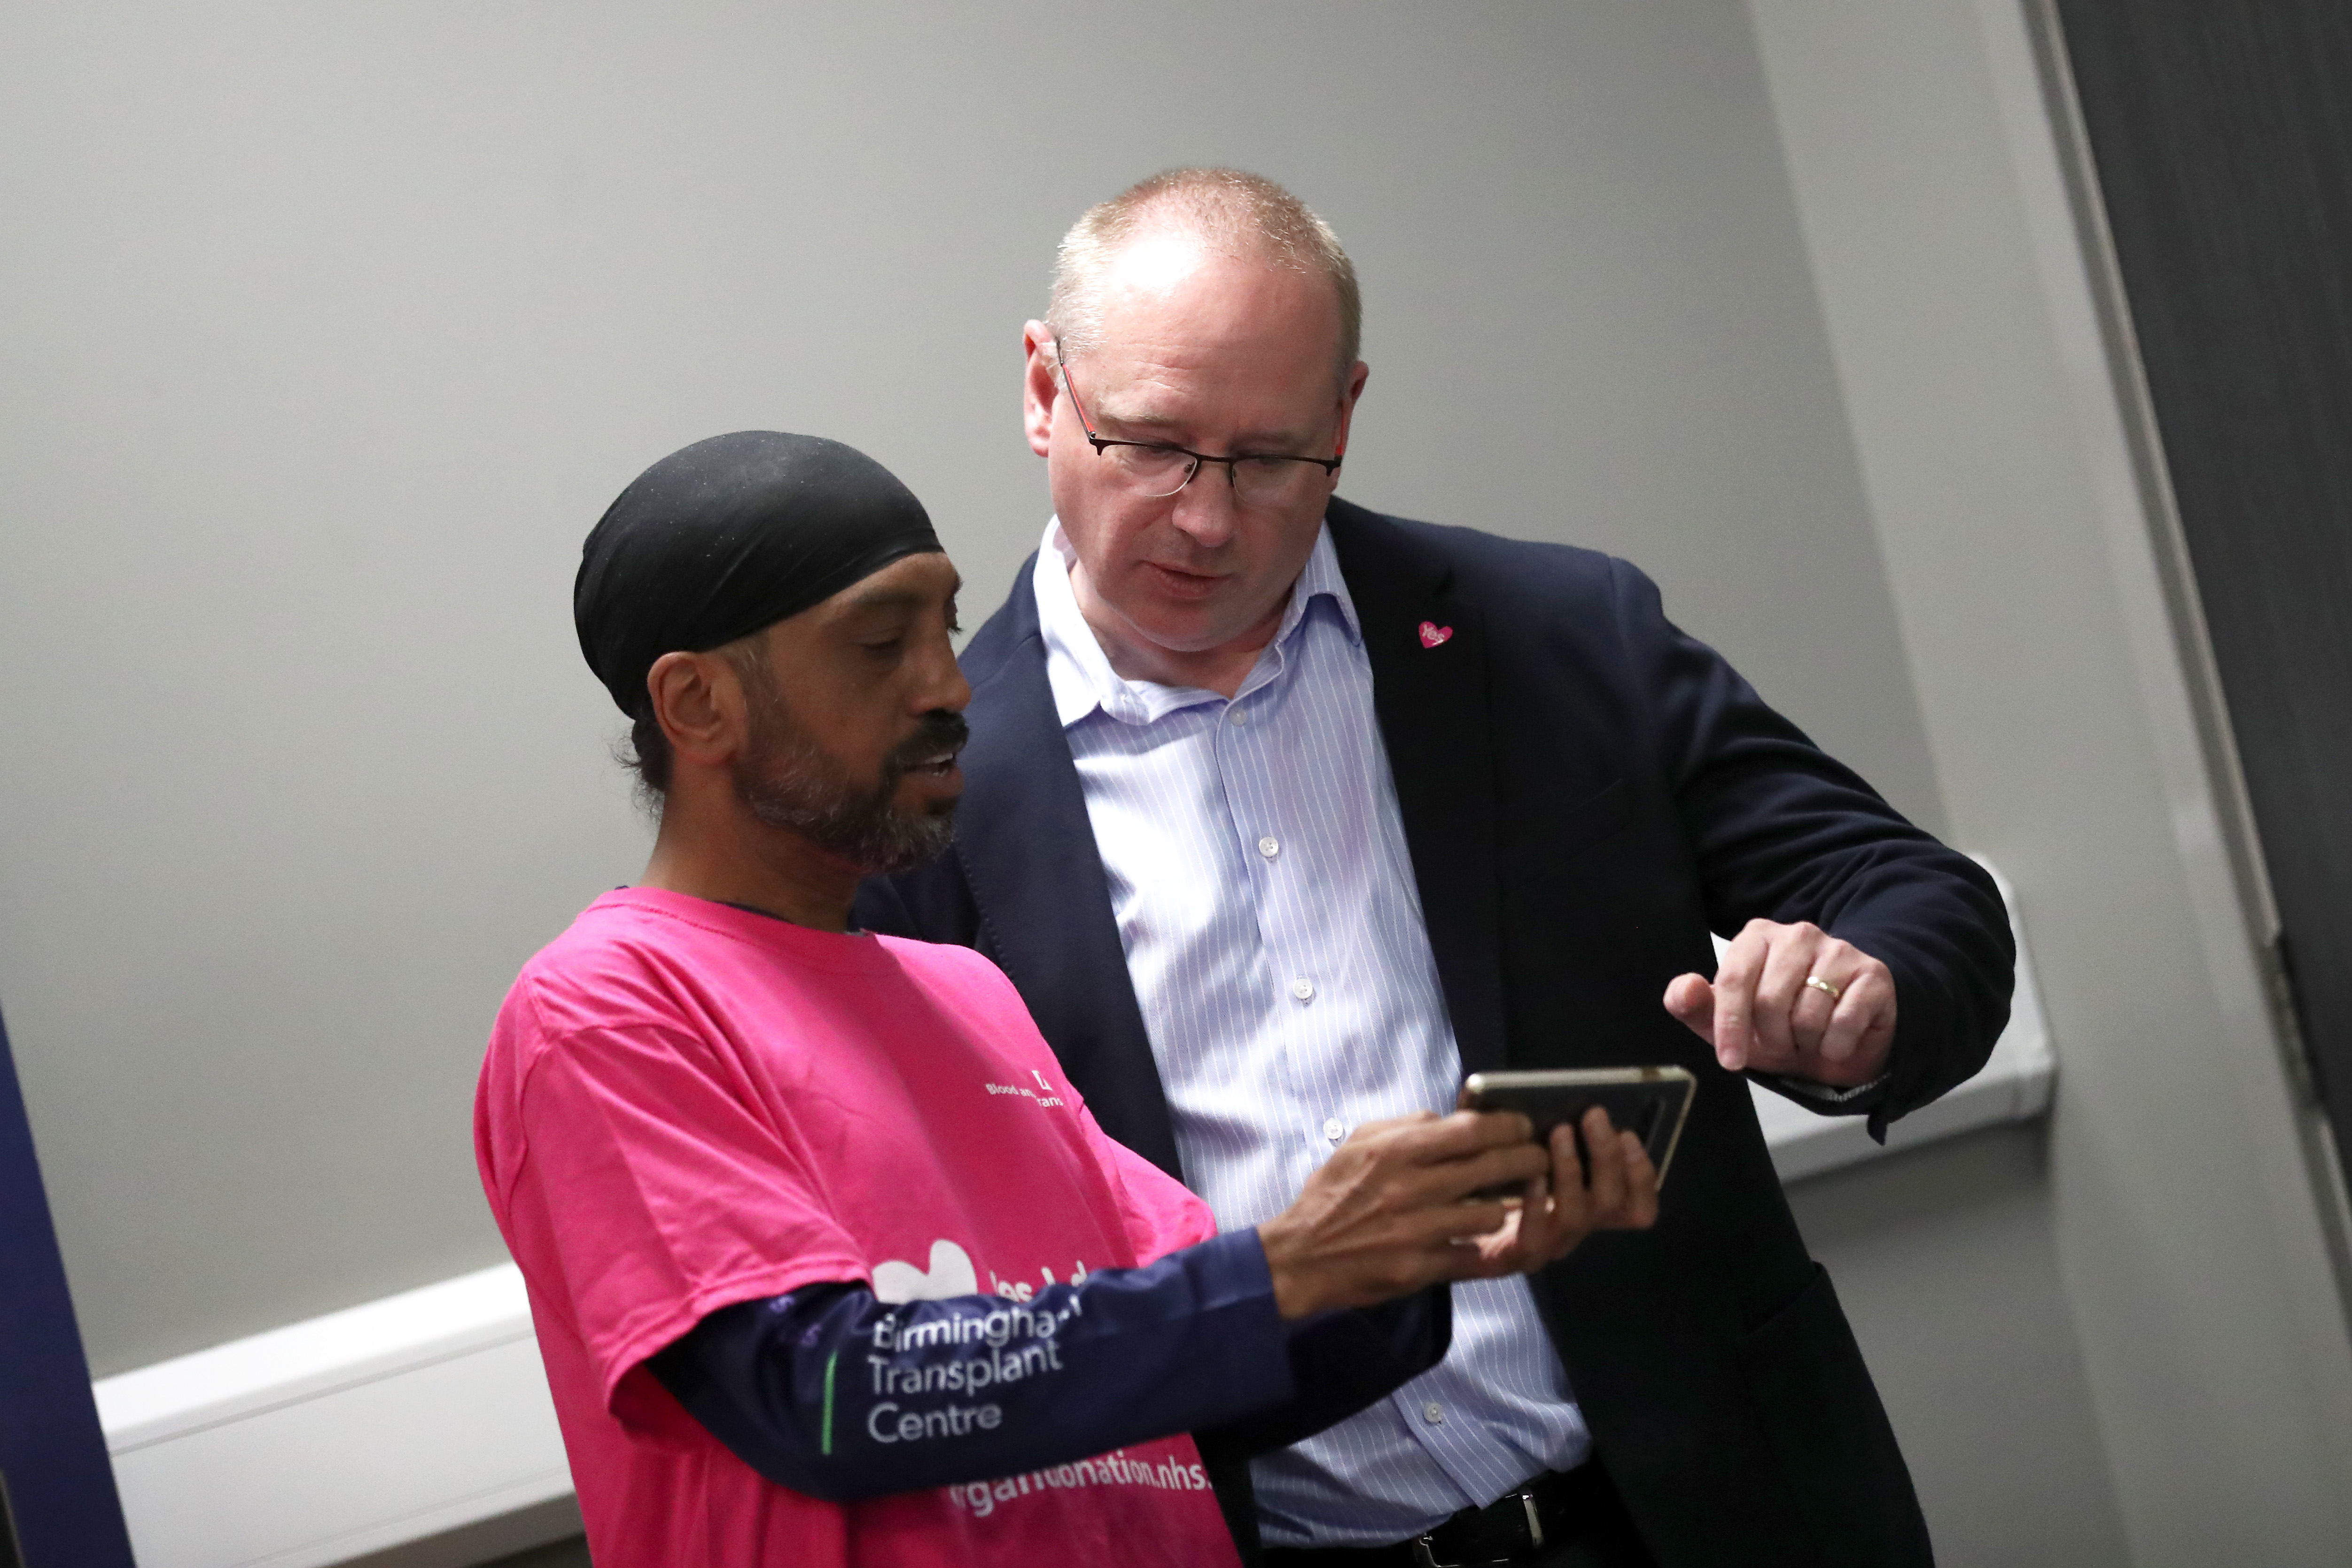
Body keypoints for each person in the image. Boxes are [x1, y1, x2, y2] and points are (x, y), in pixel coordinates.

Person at [855, 170, 2017, 1568]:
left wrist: (1862, 991)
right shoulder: (916, 802)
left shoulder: (1557, 635)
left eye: (1271, 456)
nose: (1207, 518)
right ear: (1045, 390)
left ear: (1343, 415)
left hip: (1702, 1509)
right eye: (1151, 445)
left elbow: (1919, 898)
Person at [475, 430, 1660, 1568]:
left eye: (941, 627)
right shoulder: (607, 1010)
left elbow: (1201, 1359)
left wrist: (1406, 1254)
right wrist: (1289, 1267)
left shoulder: (964, 993)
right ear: (697, 707)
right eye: (878, 644)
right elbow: (824, 1392)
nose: (949, 683)